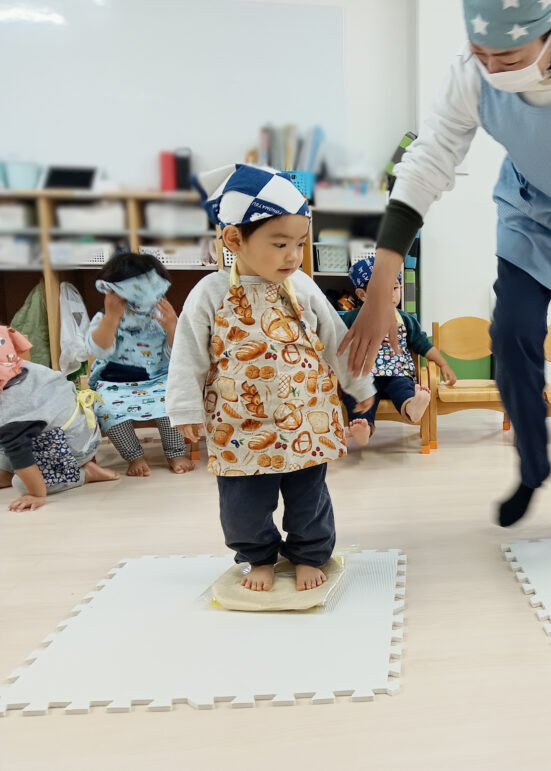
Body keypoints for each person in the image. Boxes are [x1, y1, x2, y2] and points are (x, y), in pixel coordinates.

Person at [340, 1, 551, 557]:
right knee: (512, 335)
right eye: (482, 54)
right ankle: (533, 466)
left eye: (510, 57)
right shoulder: (471, 71)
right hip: (531, 210)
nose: (493, 70)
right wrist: (379, 293)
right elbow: (426, 166)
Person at [168, 164, 375, 592]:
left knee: (309, 499)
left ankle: (309, 554)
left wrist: (359, 385)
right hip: (238, 424)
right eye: (280, 244)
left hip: (305, 418)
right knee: (242, 506)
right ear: (234, 240)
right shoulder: (209, 293)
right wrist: (184, 408)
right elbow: (187, 354)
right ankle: (258, 556)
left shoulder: (303, 286)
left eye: (299, 243)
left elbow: (336, 339)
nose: (292, 256)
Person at [88, 252, 193, 476]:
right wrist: (111, 318)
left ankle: (176, 452)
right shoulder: (105, 317)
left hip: (159, 378)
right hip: (115, 383)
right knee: (106, 409)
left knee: (171, 402)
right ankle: (134, 456)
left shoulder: (160, 315)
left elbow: (178, 352)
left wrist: (172, 326)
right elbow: (99, 350)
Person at [0, 325, 118, 511]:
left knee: (22, 483)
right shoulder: (16, 365)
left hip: (76, 446)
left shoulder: (13, 410)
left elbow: (20, 453)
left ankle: (85, 474)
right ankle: (8, 471)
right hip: (68, 426)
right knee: (8, 455)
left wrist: (36, 494)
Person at [340, 257, 456, 433]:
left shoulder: (406, 319)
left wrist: (443, 364)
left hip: (398, 373)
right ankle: (364, 427)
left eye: (394, 287)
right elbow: (337, 344)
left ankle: (412, 406)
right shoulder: (351, 319)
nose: (390, 294)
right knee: (356, 395)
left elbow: (423, 345)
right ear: (363, 295)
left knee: (403, 388)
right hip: (363, 375)